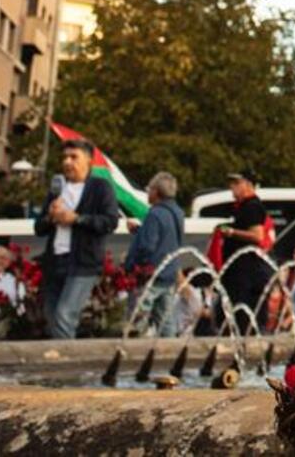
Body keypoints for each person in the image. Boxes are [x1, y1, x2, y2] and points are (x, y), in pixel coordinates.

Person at [33, 136, 119, 339]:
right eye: (64, 158)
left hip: (82, 263)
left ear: (88, 160)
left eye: (73, 157)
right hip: (55, 262)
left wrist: (77, 219)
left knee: (65, 315)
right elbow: (38, 228)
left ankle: (63, 367)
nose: (67, 162)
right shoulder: (57, 189)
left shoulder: (100, 187)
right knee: (52, 317)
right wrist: (50, 217)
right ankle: (60, 359)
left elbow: (109, 222)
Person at [124, 172, 185, 336]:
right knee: (166, 323)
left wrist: (134, 265)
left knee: (137, 323)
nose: (148, 193)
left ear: (156, 192)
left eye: (149, 189)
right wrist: (138, 230)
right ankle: (170, 355)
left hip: (150, 277)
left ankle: (135, 356)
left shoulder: (154, 214)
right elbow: (168, 239)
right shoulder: (178, 212)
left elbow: (147, 247)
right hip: (169, 275)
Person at [216, 170, 270, 328]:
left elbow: (257, 235)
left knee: (242, 316)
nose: (232, 187)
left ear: (248, 185)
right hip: (235, 272)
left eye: (236, 183)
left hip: (245, 274)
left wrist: (232, 232)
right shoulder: (241, 207)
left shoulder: (252, 206)